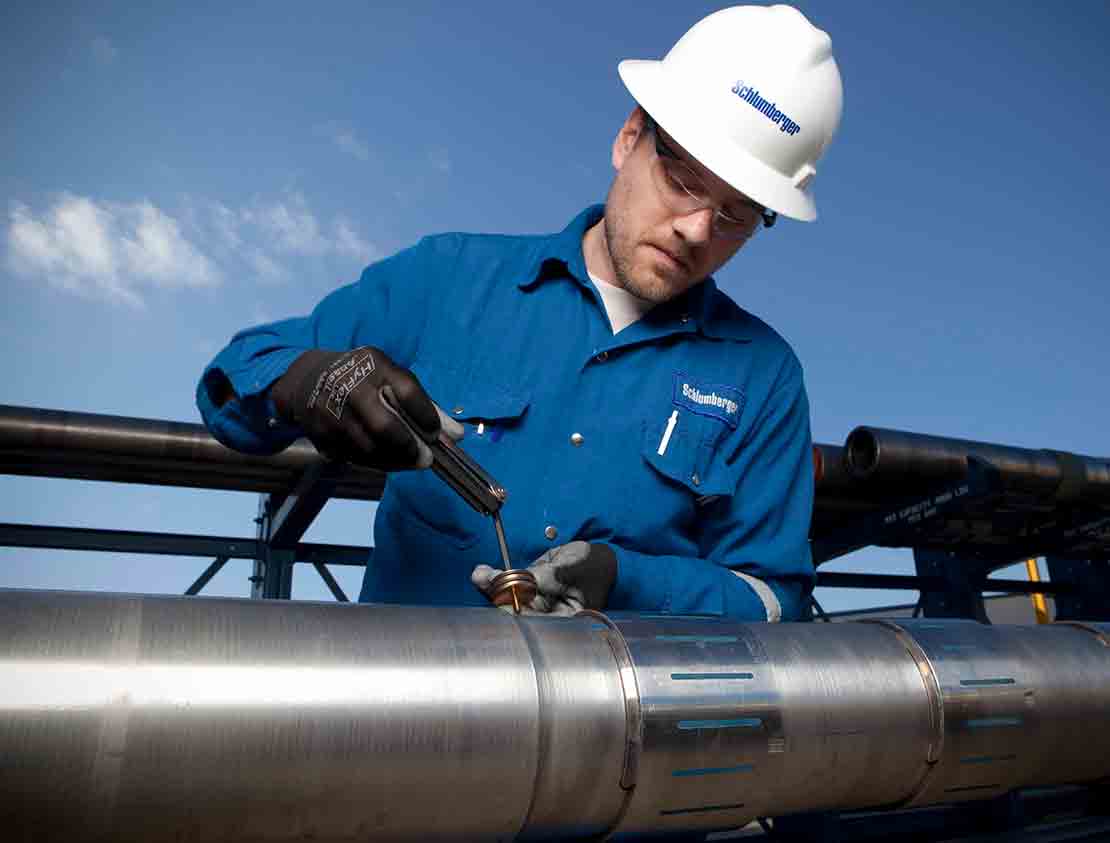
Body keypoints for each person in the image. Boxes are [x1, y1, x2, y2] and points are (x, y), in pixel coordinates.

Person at [197, 4, 843, 621]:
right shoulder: (449, 278)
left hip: (616, 701)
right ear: (629, 139)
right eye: (684, 181)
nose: (698, 230)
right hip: (407, 692)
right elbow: (236, 381)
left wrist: (629, 581)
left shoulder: (764, 377)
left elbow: (774, 600)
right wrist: (308, 383)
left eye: (736, 215)